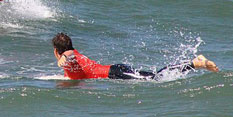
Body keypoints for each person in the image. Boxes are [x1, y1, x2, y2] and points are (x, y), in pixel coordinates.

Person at [51, 32, 219, 80]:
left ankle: (195, 63)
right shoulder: (72, 62)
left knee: (155, 78)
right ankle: (193, 64)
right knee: (154, 77)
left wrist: (63, 58)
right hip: (115, 70)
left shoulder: (69, 57)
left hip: (115, 73)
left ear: (56, 51)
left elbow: (69, 55)